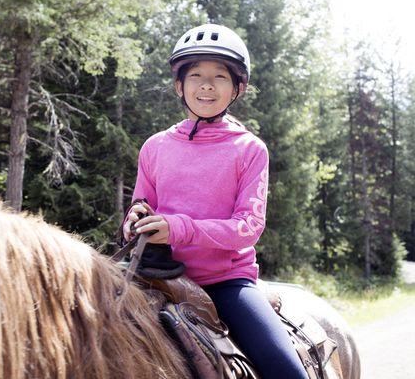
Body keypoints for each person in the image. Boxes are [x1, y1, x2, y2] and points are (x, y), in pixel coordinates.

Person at [122, 23, 309, 379]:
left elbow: (248, 227)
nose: (206, 84)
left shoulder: (249, 149)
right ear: (180, 85)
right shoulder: (155, 146)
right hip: (154, 277)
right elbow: (141, 203)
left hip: (225, 282)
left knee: (288, 372)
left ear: (237, 88)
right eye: (195, 75)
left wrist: (178, 228)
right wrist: (134, 220)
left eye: (219, 76)